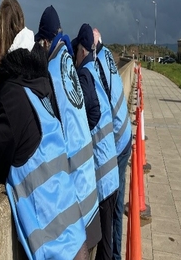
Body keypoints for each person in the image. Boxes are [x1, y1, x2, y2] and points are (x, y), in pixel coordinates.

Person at [0, 0, 89, 258]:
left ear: (0, 43)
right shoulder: (38, 82)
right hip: (74, 235)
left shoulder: (13, 95)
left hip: (56, 249)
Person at [35, 5, 101, 257]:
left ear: (43, 42)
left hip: (77, 208)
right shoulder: (70, 67)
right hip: (90, 191)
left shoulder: (51, 74)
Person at [72, 23, 119, 260]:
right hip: (111, 171)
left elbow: (93, 115)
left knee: (104, 247)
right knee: (107, 240)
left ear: (81, 50)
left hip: (103, 175)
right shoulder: (97, 69)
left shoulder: (85, 75)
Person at [93, 28, 132, 260]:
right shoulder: (108, 56)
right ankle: (115, 252)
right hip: (125, 136)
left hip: (118, 143)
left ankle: (115, 255)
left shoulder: (97, 66)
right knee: (116, 205)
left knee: (114, 205)